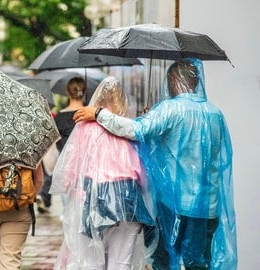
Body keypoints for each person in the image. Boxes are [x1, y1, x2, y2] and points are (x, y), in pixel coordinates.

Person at [73, 58, 237, 270]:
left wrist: (98, 113)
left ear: (173, 80)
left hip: (172, 204)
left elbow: (135, 131)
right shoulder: (215, 114)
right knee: (199, 263)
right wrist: (151, 118)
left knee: (163, 261)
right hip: (208, 205)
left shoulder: (169, 109)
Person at [50, 76, 157, 269]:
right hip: (130, 199)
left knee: (91, 261)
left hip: (95, 198)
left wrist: (69, 191)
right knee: (121, 263)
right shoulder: (128, 128)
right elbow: (143, 172)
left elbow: (71, 170)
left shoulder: (85, 128)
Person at [39, 77, 86, 213]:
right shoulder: (89, 114)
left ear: (67, 92)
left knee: (68, 209)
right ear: (84, 91)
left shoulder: (59, 118)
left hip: (66, 168)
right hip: (88, 166)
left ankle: (69, 234)